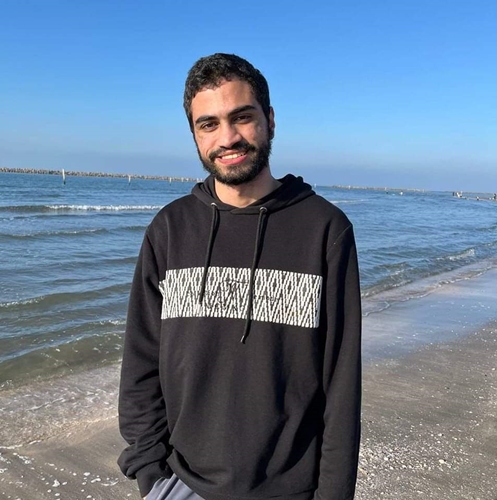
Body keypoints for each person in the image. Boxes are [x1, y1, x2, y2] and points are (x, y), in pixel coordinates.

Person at [118, 53, 362, 500]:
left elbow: (341, 383)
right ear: (195, 135)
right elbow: (140, 362)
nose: (227, 138)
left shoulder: (325, 230)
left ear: (270, 120)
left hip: (289, 489)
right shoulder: (170, 229)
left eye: (242, 117)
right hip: (181, 482)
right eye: (208, 124)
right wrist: (151, 471)